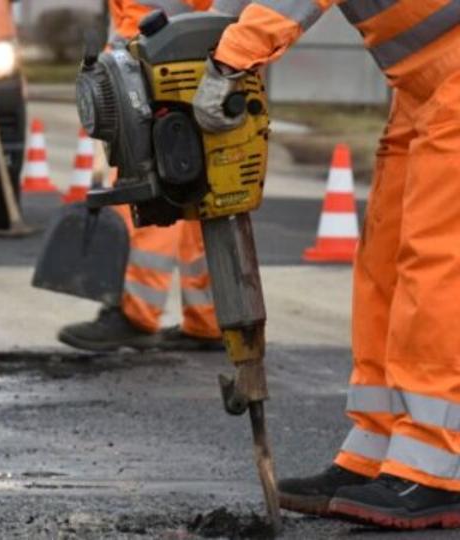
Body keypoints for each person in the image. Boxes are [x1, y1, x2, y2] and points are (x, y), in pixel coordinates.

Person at [193, 0, 460, 529]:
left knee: (437, 262)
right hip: (422, 84)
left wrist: (231, 57)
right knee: (386, 260)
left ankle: (438, 465)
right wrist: (206, 36)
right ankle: (378, 447)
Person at [58, 0, 223, 353]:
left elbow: (142, 18)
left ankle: (135, 313)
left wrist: (113, 69)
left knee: (149, 194)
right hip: (199, 66)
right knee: (202, 195)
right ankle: (211, 320)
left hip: (157, 70)